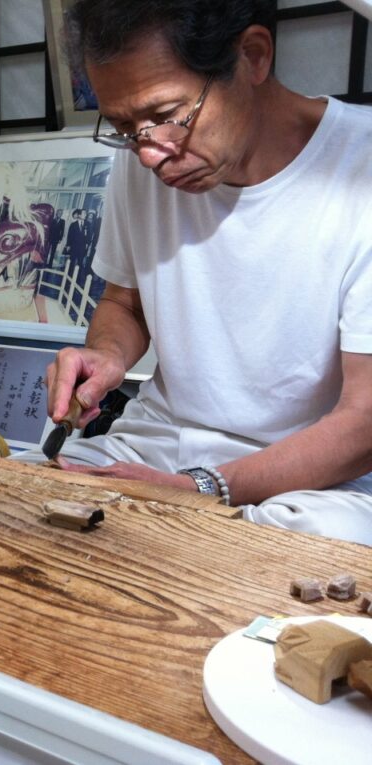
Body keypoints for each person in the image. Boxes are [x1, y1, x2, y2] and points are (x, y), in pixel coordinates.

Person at [28, 0, 372, 545]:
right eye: (122, 127)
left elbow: (363, 425)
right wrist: (108, 355)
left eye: (167, 116)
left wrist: (200, 488)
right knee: (22, 498)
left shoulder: (362, 171)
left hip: (318, 481)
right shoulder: (146, 153)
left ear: (253, 56)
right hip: (155, 445)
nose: (149, 155)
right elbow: (125, 301)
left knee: (306, 553)